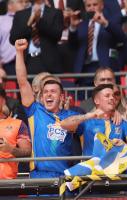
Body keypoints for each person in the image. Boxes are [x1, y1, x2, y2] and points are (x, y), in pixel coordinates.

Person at [15, 38, 80, 178]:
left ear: (62, 97)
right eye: (45, 92)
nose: (48, 94)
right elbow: (22, 82)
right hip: (38, 175)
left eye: (53, 91)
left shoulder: (71, 115)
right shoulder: (34, 111)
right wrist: (19, 52)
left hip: (63, 177)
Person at [61, 84, 127, 156]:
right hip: (92, 172)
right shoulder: (87, 121)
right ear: (96, 101)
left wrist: (125, 146)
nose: (112, 98)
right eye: (107, 96)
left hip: (115, 172)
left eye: (113, 96)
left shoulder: (121, 122)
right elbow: (64, 124)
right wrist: (87, 116)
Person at [69, 0, 127, 74]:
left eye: (95, 4)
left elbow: (122, 38)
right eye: (88, 6)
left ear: (102, 6)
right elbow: (72, 45)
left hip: (106, 66)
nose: (91, 8)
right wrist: (73, 27)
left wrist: (105, 23)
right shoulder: (81, 23)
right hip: (84, 68)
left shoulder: (110, 20)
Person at [10, 0, 64, 74]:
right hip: (26, 61)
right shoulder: (20, 14)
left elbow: (57, 35)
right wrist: (30, 23)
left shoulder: (55, 13)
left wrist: (39, 21)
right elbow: (13, 39)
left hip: (49, 62)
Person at [0, 87, 31, 179]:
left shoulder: (18, 124)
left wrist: (11, 149)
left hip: (7, 183)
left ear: (3, 101)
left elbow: (27, 151)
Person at [0, 0, 26, 75]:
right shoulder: (1, 20)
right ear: (10, 5)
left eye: (25, 2)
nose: (24, 4)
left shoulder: (30, 18)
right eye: (20, 2)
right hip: (8, 64)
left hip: (29, 62)